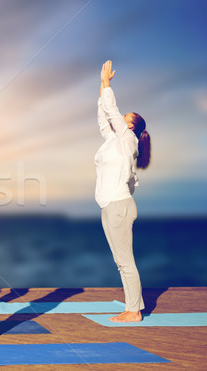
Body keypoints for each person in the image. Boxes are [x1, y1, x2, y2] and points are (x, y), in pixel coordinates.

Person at [96, 60, 151, 322]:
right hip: (111, 205)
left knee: (125, 261)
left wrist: (107, 84)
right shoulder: (115, 142)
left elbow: (112, 110)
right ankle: (133, 306)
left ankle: (134, 311)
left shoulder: (128, 140)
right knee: (120, 260)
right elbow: (103, 118)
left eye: (125, 119)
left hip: (118, 206)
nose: (119, 120)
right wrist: (100, 86)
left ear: (130, 126)